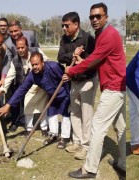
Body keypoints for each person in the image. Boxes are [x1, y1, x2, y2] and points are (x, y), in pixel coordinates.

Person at [66, 3, 125, 179]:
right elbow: (97, 59)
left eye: (98, 16)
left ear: (106, 16)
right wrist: (81, 62)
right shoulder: (100, 34)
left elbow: (94, 60)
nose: (94, 19)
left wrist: (72, 71)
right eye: (92, 17)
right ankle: (122, 163)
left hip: (114, 87)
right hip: (116, 86)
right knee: (120, 127)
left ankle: (89, 169)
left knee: (98, 127)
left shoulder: (109, 35)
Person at [0, 52, 71, 149]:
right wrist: (8, 105)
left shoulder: (54, 66)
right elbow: (21, 90)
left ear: (42, 63)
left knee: (65, 115)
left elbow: (66, 76)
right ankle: (54, 135)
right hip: (52, 96)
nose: (35, 67)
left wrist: (69, 93)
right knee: (51, 113)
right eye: (33, 65)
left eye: (37, 64)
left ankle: (64, 138)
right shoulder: (32, 76)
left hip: (64, 94)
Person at [57, 11, 96, 159]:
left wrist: (80, 59)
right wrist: (72, 54)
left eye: (66, 25)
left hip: (88, 80)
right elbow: (60, 57)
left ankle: (86, 146)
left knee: (86, 115)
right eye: (62, 25)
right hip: (74, 80)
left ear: (76, 24)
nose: (64, 28)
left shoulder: (88, 39)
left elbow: (93, 62)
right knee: (75, 113)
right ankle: (77, 142)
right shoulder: (64, 39)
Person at [0, 37, 49, 137]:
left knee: (43, 107)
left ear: (27, 46)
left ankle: (44, 128)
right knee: (27, 106)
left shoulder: (36, 51)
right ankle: (29, 129)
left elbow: (46, 62)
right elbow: (10, 76)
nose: (20, 50)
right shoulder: (15, 60)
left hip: (42, 84)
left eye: (22, 47)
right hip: (28, 86)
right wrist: (2, 90)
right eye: (18, 48)